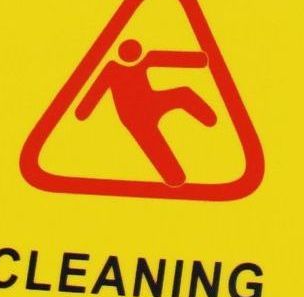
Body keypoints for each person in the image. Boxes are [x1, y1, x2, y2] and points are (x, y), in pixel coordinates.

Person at [76, 38, 216, 186]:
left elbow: (170, 59)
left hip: (151, 102)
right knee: (154, 144)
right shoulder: (111, 69)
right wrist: (83, 112)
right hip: (133, 116)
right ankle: (174, 178)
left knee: (183, 94)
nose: (134, 56)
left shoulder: (145, 60)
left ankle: (211, 120)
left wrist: (200, 60)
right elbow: (93, 95)